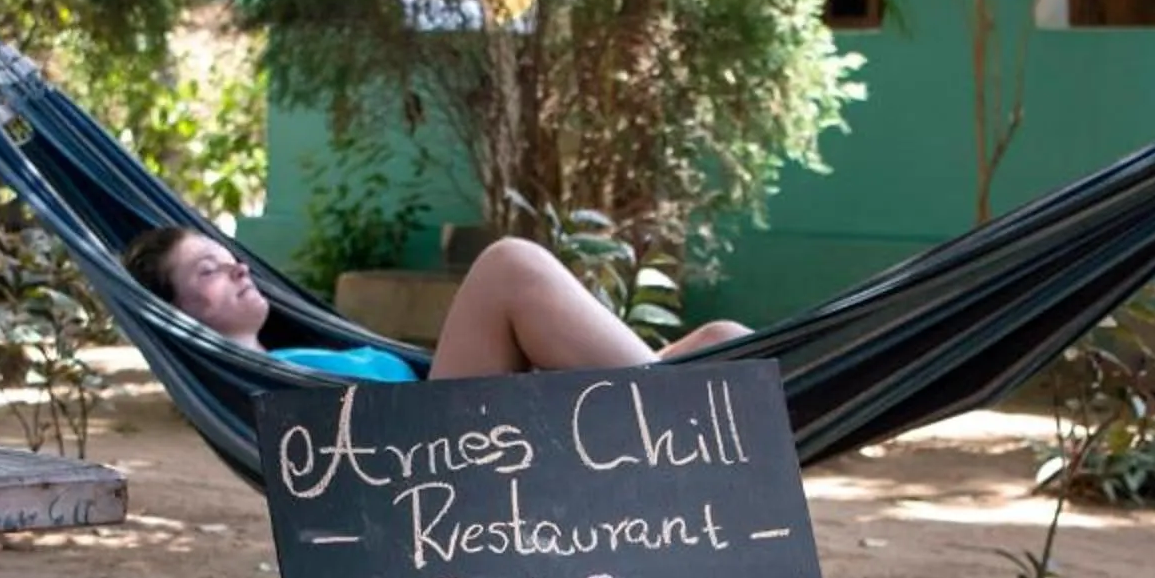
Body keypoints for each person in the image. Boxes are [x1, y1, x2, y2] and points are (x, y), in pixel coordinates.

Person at [122, 225, 751, 380]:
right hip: (438, 456)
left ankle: (659, 406)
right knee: (510, 265)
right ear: (178, 314)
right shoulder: (256, 391)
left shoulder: (298, 354)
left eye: (230, 256)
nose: (237, 265)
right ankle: (660, 416)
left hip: (478, 413)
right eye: (207, 269)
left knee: (723, 340)